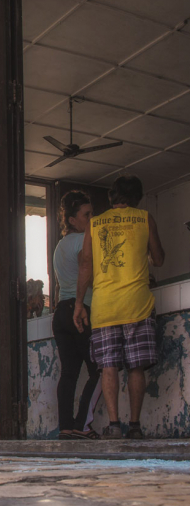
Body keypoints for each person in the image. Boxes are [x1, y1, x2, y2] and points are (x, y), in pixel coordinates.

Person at [75, 175, 165, 440]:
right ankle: (134, 426)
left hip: (105, 308)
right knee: (136, 367)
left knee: (109, 366)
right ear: (136, 198)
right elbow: (158, 260)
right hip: (137, 305)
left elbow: (85, 265)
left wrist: (79, 304)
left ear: (112, 198)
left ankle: (114, 425)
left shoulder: (95, 223)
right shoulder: (144, 218)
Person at [52, 190, 102, 440]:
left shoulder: (60, 246)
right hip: (81, 310)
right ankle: (82, 425)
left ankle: (66, 427)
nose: (92, 218)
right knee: (101, 368)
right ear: (72, 220)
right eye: (87, 214)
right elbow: (87, 269)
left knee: (69, 372)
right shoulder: (85, 241)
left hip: (61, 312)